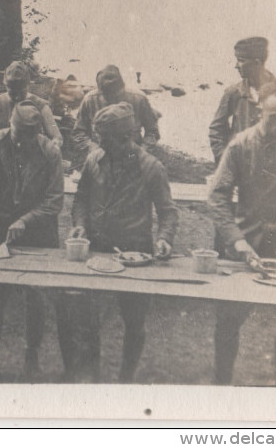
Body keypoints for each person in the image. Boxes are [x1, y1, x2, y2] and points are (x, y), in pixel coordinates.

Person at [208, 82, 276, 385]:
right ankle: (221, 383)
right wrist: (236, 241)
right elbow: (217, 196)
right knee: (228, 319)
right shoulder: (240, 145)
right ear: (259, 112)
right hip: (247, 242)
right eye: (274, 117)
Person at [0, 101, 74, 380]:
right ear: (9, 125)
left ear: (36, 134)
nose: (20, 143)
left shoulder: (50, 152)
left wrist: (27, 220)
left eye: (26, 137)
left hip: (38, 232)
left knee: (35, 297)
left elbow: (54, 200)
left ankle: (31, 354)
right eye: (16, 135)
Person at [68, 102, 179, 382]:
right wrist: (80, 225)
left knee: (134, 320)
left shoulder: (151, 168)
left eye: (104, 139)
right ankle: (92, 376)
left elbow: (168, 212)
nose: (99, 145)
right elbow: (81, 198)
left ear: (124, 138)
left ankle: (126, 378)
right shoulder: (95, 159)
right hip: (96, 248)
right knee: (86, 319)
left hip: (135, 253)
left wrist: (164, 239)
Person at [208, 36, 276, 163]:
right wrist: (225, 160)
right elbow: (216, 129)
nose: (236, 66)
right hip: (242, 171)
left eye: (241, 60)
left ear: (256, 63)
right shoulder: (234, 93)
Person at [72, 64, 160, 162]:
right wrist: (95, 151)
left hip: (132, 155)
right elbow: (79, 132)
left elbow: (152, 131)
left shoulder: (139, 98)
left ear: (123, 87)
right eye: (107, 96)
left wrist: (141, 153)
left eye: (117, 95)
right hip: (101, 157)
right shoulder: (89, 100)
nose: (112, 98)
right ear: (100, 90)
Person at [0, 60, 63, 145]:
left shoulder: (40, 106)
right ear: (6, 86)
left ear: (28, 85)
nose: (17, 97)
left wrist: (50, 148)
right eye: (12, 93)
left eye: (21, 92)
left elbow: (57, 138)